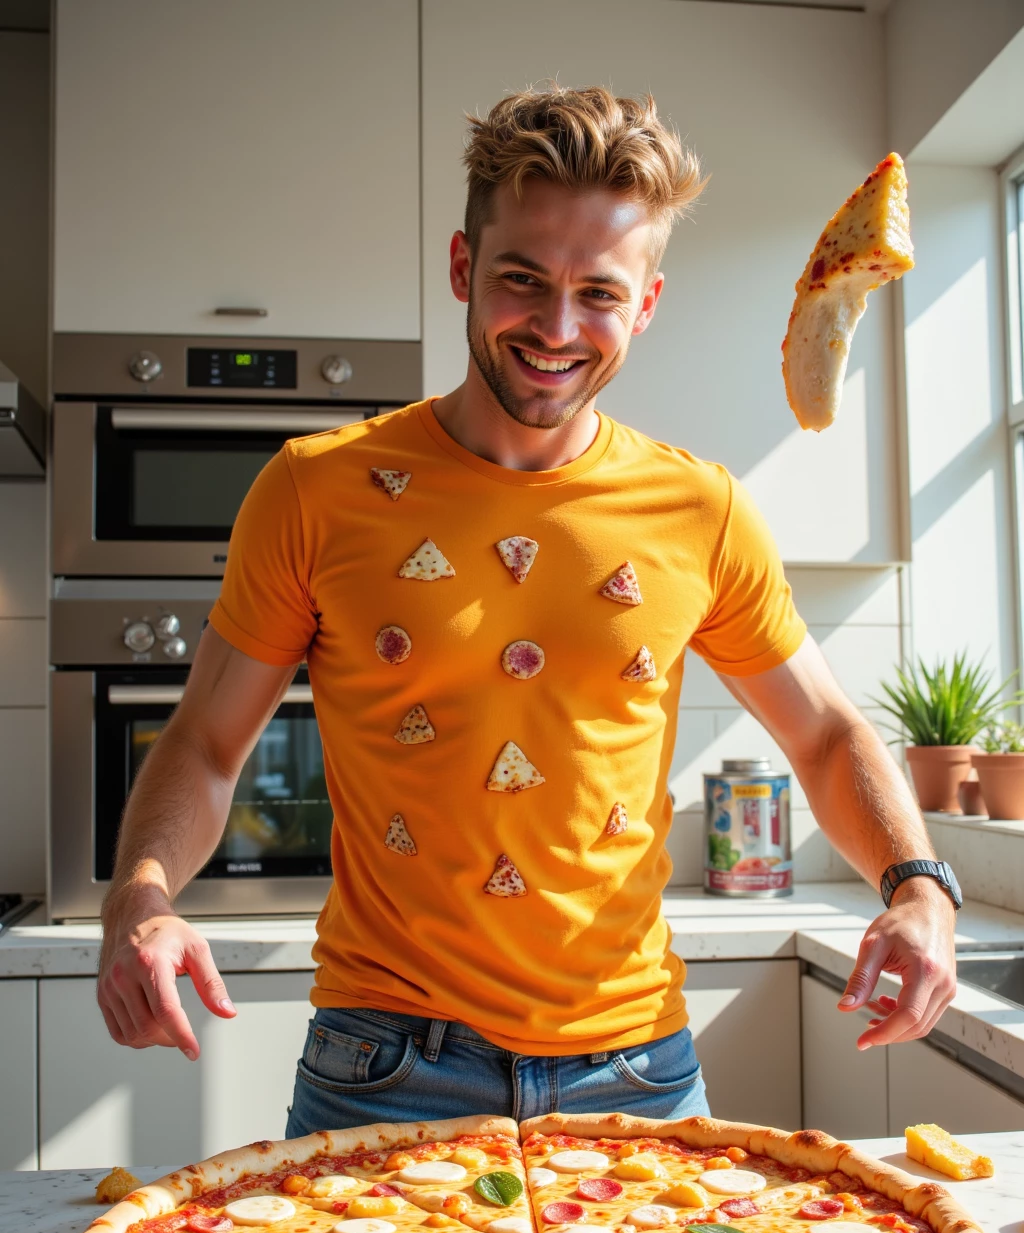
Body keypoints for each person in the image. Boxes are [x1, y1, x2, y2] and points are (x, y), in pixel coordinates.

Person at [97, 86, 958, 1136]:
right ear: (463, 270)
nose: (556, 328)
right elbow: (207, 744)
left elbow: (823, 734)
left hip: (638, 1071)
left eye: (598, 293)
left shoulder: (702, 509)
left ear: (644, 306)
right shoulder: (314, 491)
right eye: (521, 280)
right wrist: (139, 897)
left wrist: (918, 887)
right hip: (385, 1062)